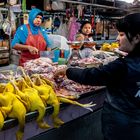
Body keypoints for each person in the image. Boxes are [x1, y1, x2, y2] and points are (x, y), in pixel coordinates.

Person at [54, 13, 140, 140]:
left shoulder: (122, 66)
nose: (117, 38)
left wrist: (68, 71)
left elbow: (92, 76)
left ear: (136, 38)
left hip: (121, 127)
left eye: (121, 34)